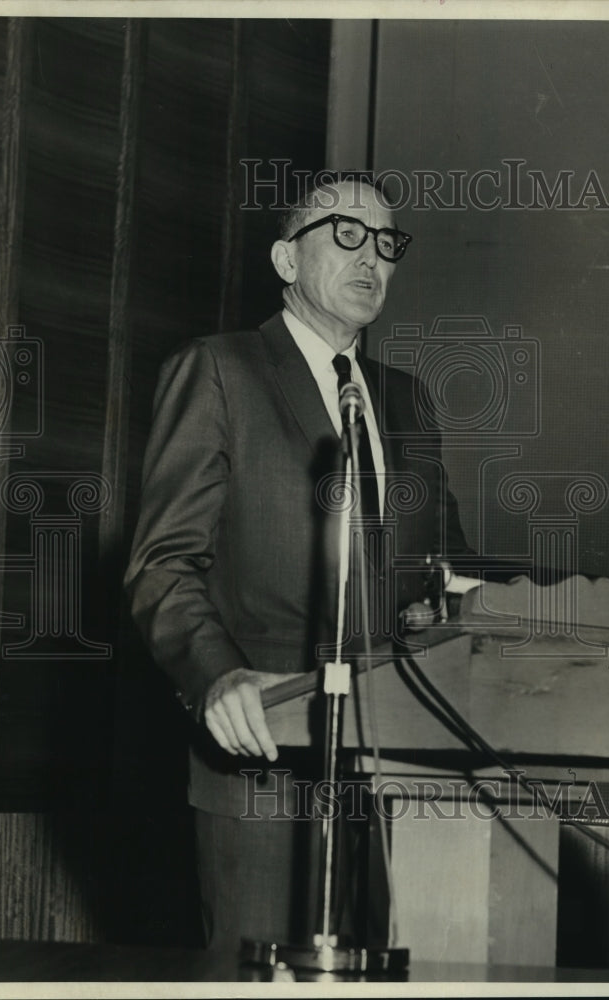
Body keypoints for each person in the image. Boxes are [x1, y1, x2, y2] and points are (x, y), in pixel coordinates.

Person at [124, 177, 472, 954]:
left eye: (387, 243)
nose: (372, 258)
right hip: (265, 755)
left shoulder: (408, 400)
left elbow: (443, 566)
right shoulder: (221, 370)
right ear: (286, 257)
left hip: (404, 768)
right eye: (347, 235)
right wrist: (216, 674)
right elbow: (162, 563)